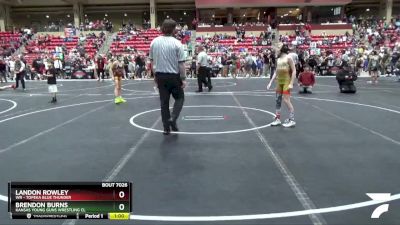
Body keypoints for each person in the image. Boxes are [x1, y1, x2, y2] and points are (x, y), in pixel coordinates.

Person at [149, 19, 186, 135]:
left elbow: (152, 62)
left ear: (162, 28)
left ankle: (166, 128)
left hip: (160, 76)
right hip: (173, 76)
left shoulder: (154, 42)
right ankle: (173, 118)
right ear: (174, 29)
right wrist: (183, 79)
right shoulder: (177, 44)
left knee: (164, 103)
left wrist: (155, 76)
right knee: (180, 98)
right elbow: (181, 64)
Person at [267, 44, 296, 128]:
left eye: (277, 50)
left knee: (286, 100)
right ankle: (277, 119)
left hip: (286, 81)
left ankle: (292, 120)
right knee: (278, 100)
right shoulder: (278, 59)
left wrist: (291, 83)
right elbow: (276, 71)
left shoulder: (288, 58)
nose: (275, 52)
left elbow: (294, 71)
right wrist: (270, 82)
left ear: (281, 50)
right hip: (279, 82)